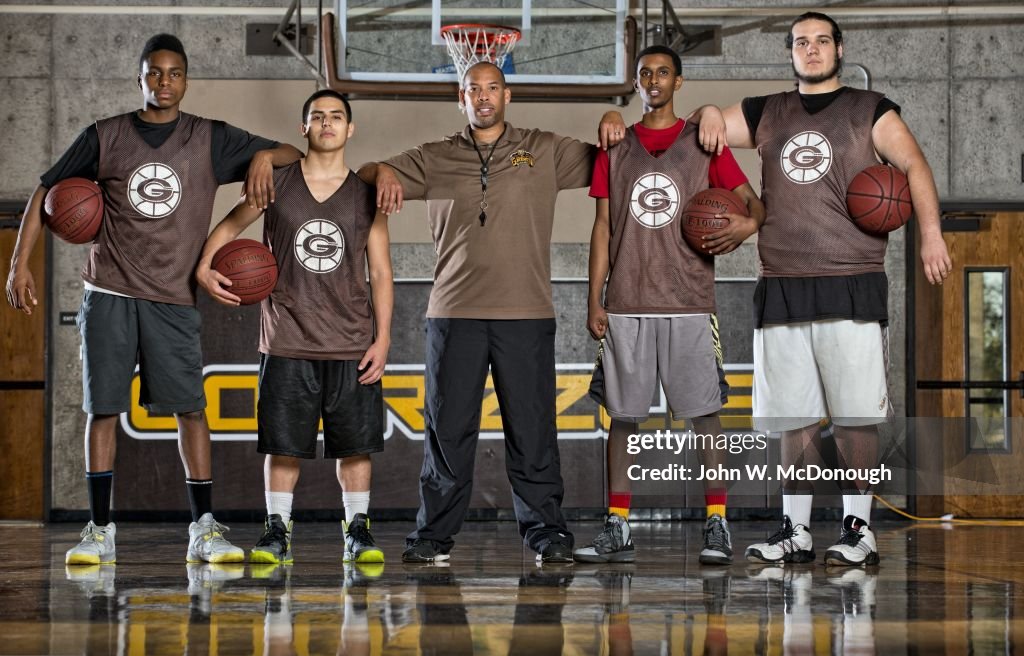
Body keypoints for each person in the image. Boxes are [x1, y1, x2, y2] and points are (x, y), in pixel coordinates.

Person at [4, 34, 302, 566]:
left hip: (173, 299)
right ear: (140, 77)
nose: (164, 82)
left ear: (186, 80)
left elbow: (292, 154)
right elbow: (45, 191)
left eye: (174, 73)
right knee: (102, 411)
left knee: (191, 410)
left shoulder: (210, 138)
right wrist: (18, 262)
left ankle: (203, 528)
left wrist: (261, 160)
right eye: (154, 73)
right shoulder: (104, 135)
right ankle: (98, 530)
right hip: (110, 293)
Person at [692, 12, 952, 566]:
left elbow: (916, 165)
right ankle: (796, 531)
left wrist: (930, 236)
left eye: (821, 41)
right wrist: (712, 109)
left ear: (839, 48)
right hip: (782, 283)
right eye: (800, 43)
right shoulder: (768, 111)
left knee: (857, 416)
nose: (811, 50)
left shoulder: (870, 109)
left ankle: (859, 530)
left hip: (851, 281)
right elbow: (709, 129)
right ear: (790, 52)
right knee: (795, 418)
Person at [359, 60, 615, 565]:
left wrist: (610, 114)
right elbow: (366, 175)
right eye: (473, 89)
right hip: (453, 314)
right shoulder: (434, 157)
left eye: (492, 87)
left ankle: (546, 532)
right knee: (447, 431)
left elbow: (612, 158)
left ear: (507, 94)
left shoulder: (544, 149)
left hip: (527, 313)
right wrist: (383, 170)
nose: (483, 96)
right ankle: (433, 535)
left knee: (533, 429)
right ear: (461, 97)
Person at [576, 45, 765, 566]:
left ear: (678, 82)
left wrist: (748, 226)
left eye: (663, 73)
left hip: (688, 302)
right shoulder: (613, 144)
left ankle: (717, 525)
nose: (653, 81)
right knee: (622, 419)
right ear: (635, 84)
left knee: (705, 417)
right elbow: (601, 227)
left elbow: (754, 205)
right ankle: (617, 526)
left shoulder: (704, 141)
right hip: (627, 302)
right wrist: (595, 298)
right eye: (644, 74)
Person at [196, 90, 392, 565]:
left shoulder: (367, 194)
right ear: (304, 128)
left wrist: (383, 337)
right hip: (286, 339)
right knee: (284, 448)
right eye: (317, 117)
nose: (327, 124)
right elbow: (227, 228)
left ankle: (357, 531)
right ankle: (277, 530)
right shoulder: (277, 182)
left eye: (337, 117)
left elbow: (381, 271)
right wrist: (205, 265)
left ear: (351, 129)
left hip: (351, 342)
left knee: (355, 448)